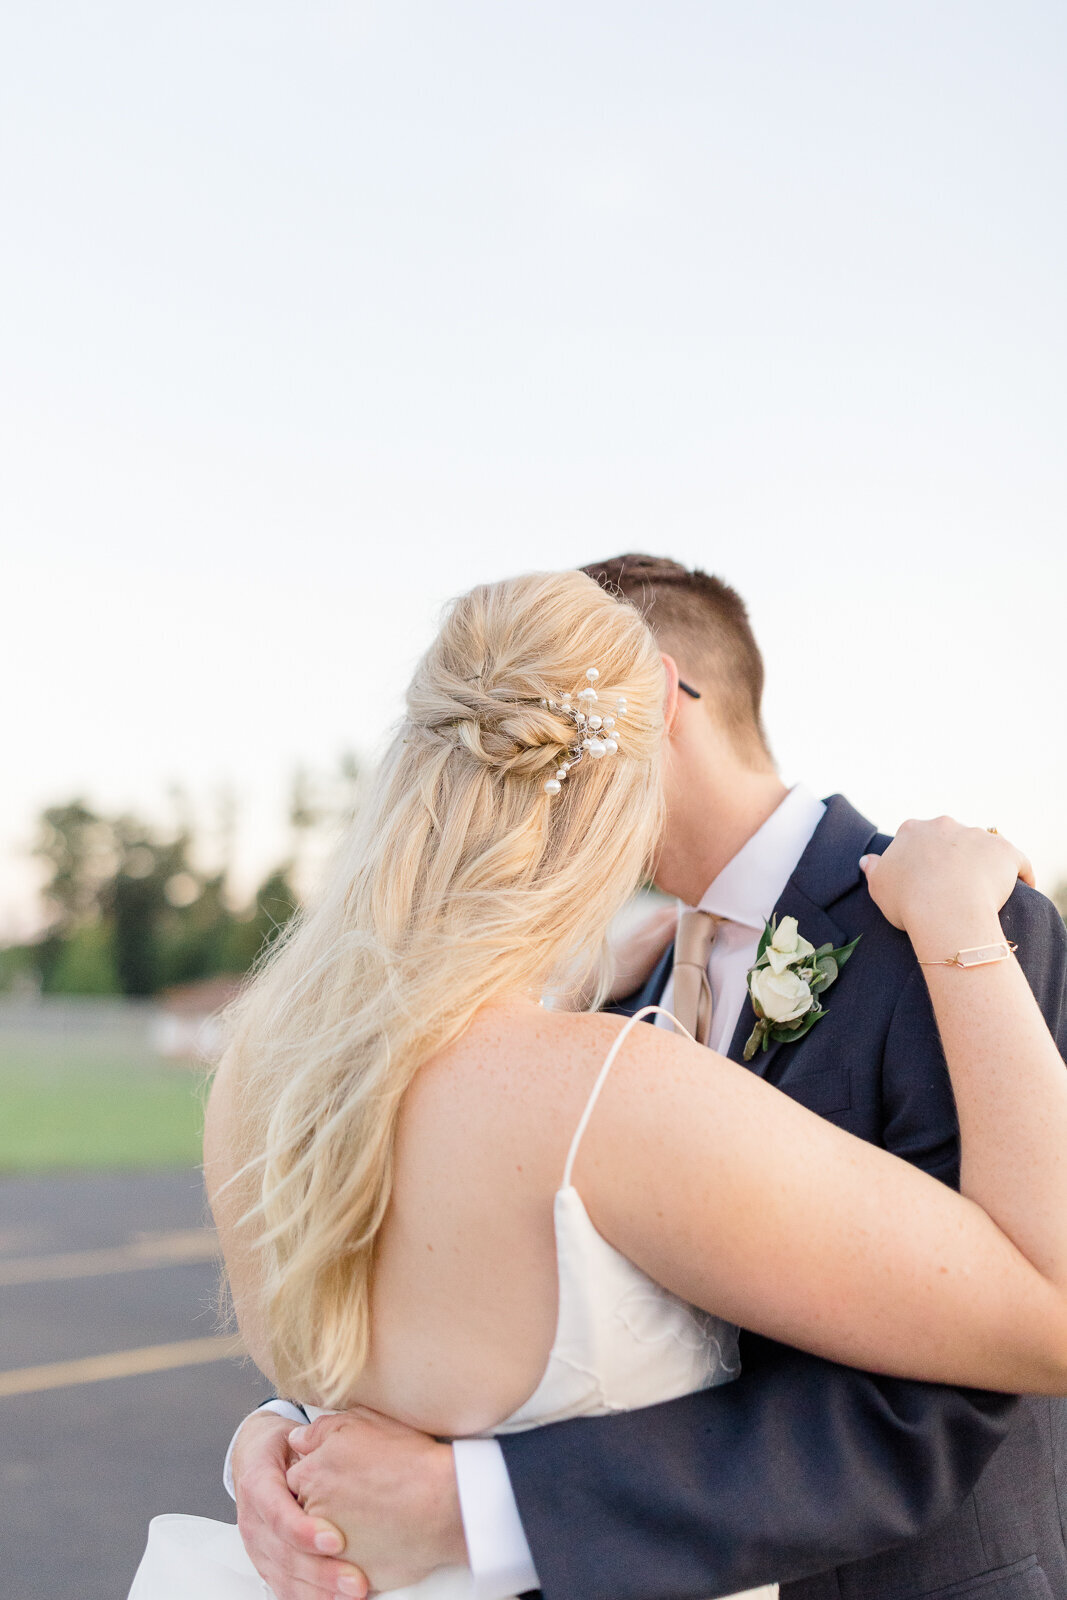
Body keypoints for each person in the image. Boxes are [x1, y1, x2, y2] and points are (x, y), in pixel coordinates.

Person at [136, 566, 1067, 1600]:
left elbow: (949, 1380)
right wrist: (300, 1432)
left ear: (664, 696)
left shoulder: (951, 925)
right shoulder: (602, 1019)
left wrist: (448, 1492)